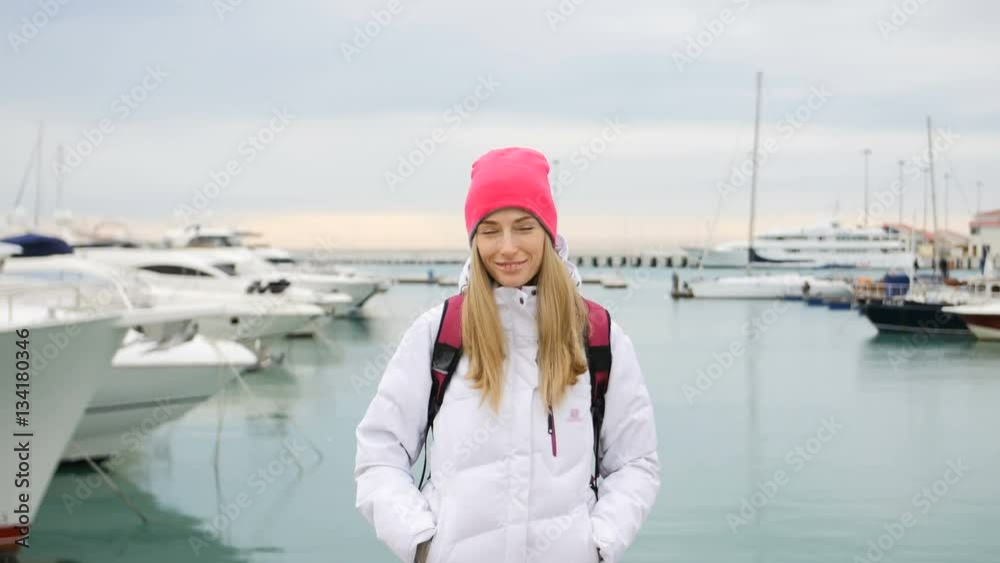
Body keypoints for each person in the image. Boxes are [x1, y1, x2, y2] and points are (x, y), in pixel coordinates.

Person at [354, 147, 660, 563]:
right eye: (490, 230)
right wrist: (422, 544)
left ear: (548, 233)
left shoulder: (597, 335)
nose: (508, 247)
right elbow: (379, 453)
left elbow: (635, 463)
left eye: (524, 227)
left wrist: (598, 545)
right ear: (474, 238)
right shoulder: (438, 333)